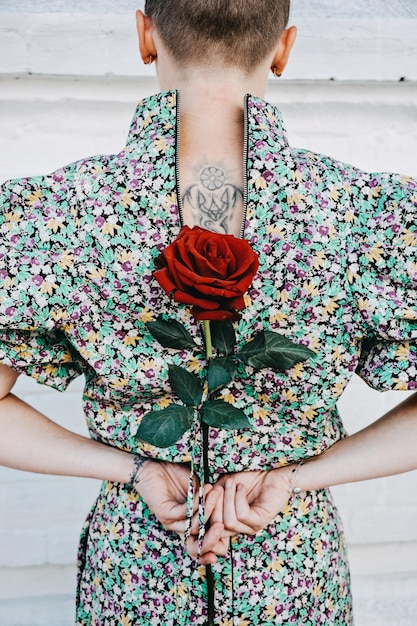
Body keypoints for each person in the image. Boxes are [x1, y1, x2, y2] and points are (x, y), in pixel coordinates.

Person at [0, 0, 416, 624]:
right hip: (293, 573)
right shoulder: (370, 217)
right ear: (283, 48)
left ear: (145, 36)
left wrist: (135, 467)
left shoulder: (55, 215)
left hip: (135, 570)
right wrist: (292, 479)